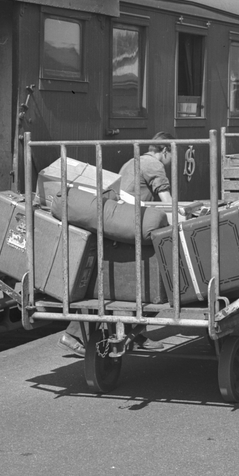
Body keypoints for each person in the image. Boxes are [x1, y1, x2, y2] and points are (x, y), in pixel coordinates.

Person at [58, 133, 174, 355]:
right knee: (155, 284)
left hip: (116, 224)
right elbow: (167, 203)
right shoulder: (154, 165)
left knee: (109, 286)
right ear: (165, 151)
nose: (171, 161)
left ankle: (134, 334)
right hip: (130, 227)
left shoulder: (131, 162)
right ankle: (76, 334)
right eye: (172, 156)